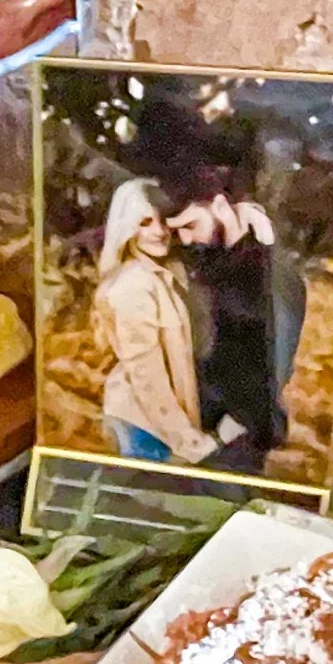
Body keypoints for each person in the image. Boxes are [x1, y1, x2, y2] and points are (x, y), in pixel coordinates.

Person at [93, 179, 215, 464]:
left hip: (167, 423)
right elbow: (147, 377)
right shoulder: (133, 286)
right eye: (145, 222)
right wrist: (188, 440)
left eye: (163, 220)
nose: (158, 232)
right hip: (144, 426)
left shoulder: (169, 272)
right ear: (126, 227)